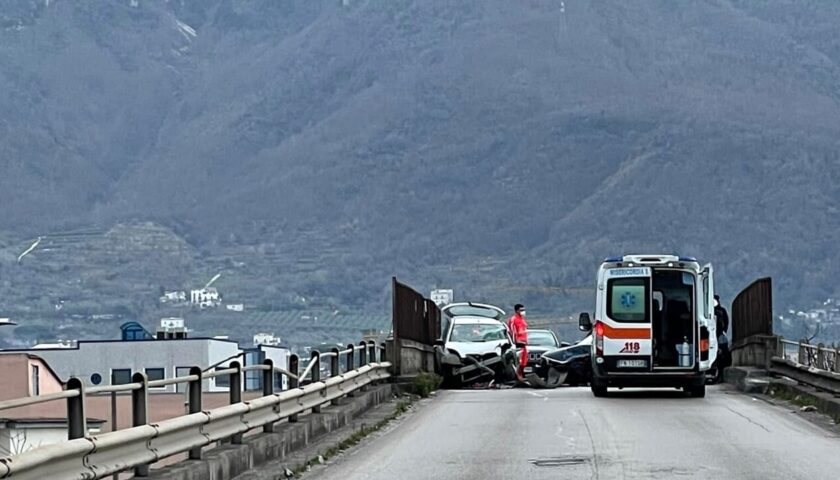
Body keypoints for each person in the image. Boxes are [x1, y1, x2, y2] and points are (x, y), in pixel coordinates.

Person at [508, 304, 529, 380]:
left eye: (524, 310)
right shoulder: (513, 319)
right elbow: (512, 332)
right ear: (517, 311)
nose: (523, 312)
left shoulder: (522, 320)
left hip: (524, 343)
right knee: (518, 361)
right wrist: (515, 342)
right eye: (521, 310)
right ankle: (517, 376)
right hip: (518, 343)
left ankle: (521, 375)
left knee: (524, 361)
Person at [713, 295, 731, 383]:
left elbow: (726, 322)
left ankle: (720, 374)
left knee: (723, 355)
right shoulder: (719, 311)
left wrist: (723, 331)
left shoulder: (722, 311)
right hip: (714, 336)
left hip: (719, 336)